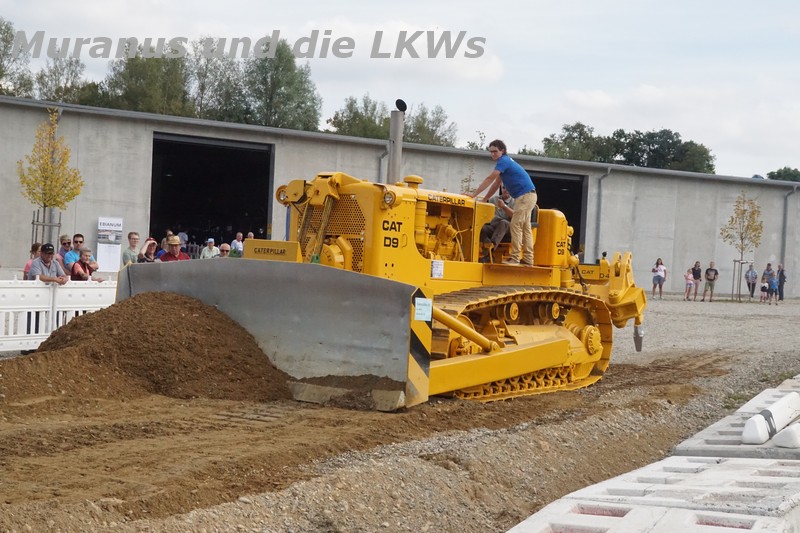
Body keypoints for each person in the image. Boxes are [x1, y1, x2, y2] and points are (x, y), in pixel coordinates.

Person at [469, 140, 537, 266]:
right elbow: (495, 184)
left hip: (525, 197)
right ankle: (528, 258)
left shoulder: (503, 161)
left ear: (502, 151)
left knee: (515, 225)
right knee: (526, 228)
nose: (492, 154)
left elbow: (490, 178)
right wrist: (484, 199)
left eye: (495, 151)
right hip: (526, 196)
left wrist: (474, 195)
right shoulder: (506, 165)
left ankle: (515, 258)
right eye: (491, 152)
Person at [478, 186, 515, 262]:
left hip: (510, 229)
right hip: (494, 226)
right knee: (480, 227)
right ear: (501, 189)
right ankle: (487, 252)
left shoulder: (515, 201)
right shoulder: (493, 200)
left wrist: (504, 206)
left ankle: (491, 249)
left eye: (508, 187)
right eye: (504, 188)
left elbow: (516, 216)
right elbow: (486, 212)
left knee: (503, 223)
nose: (506, 190)